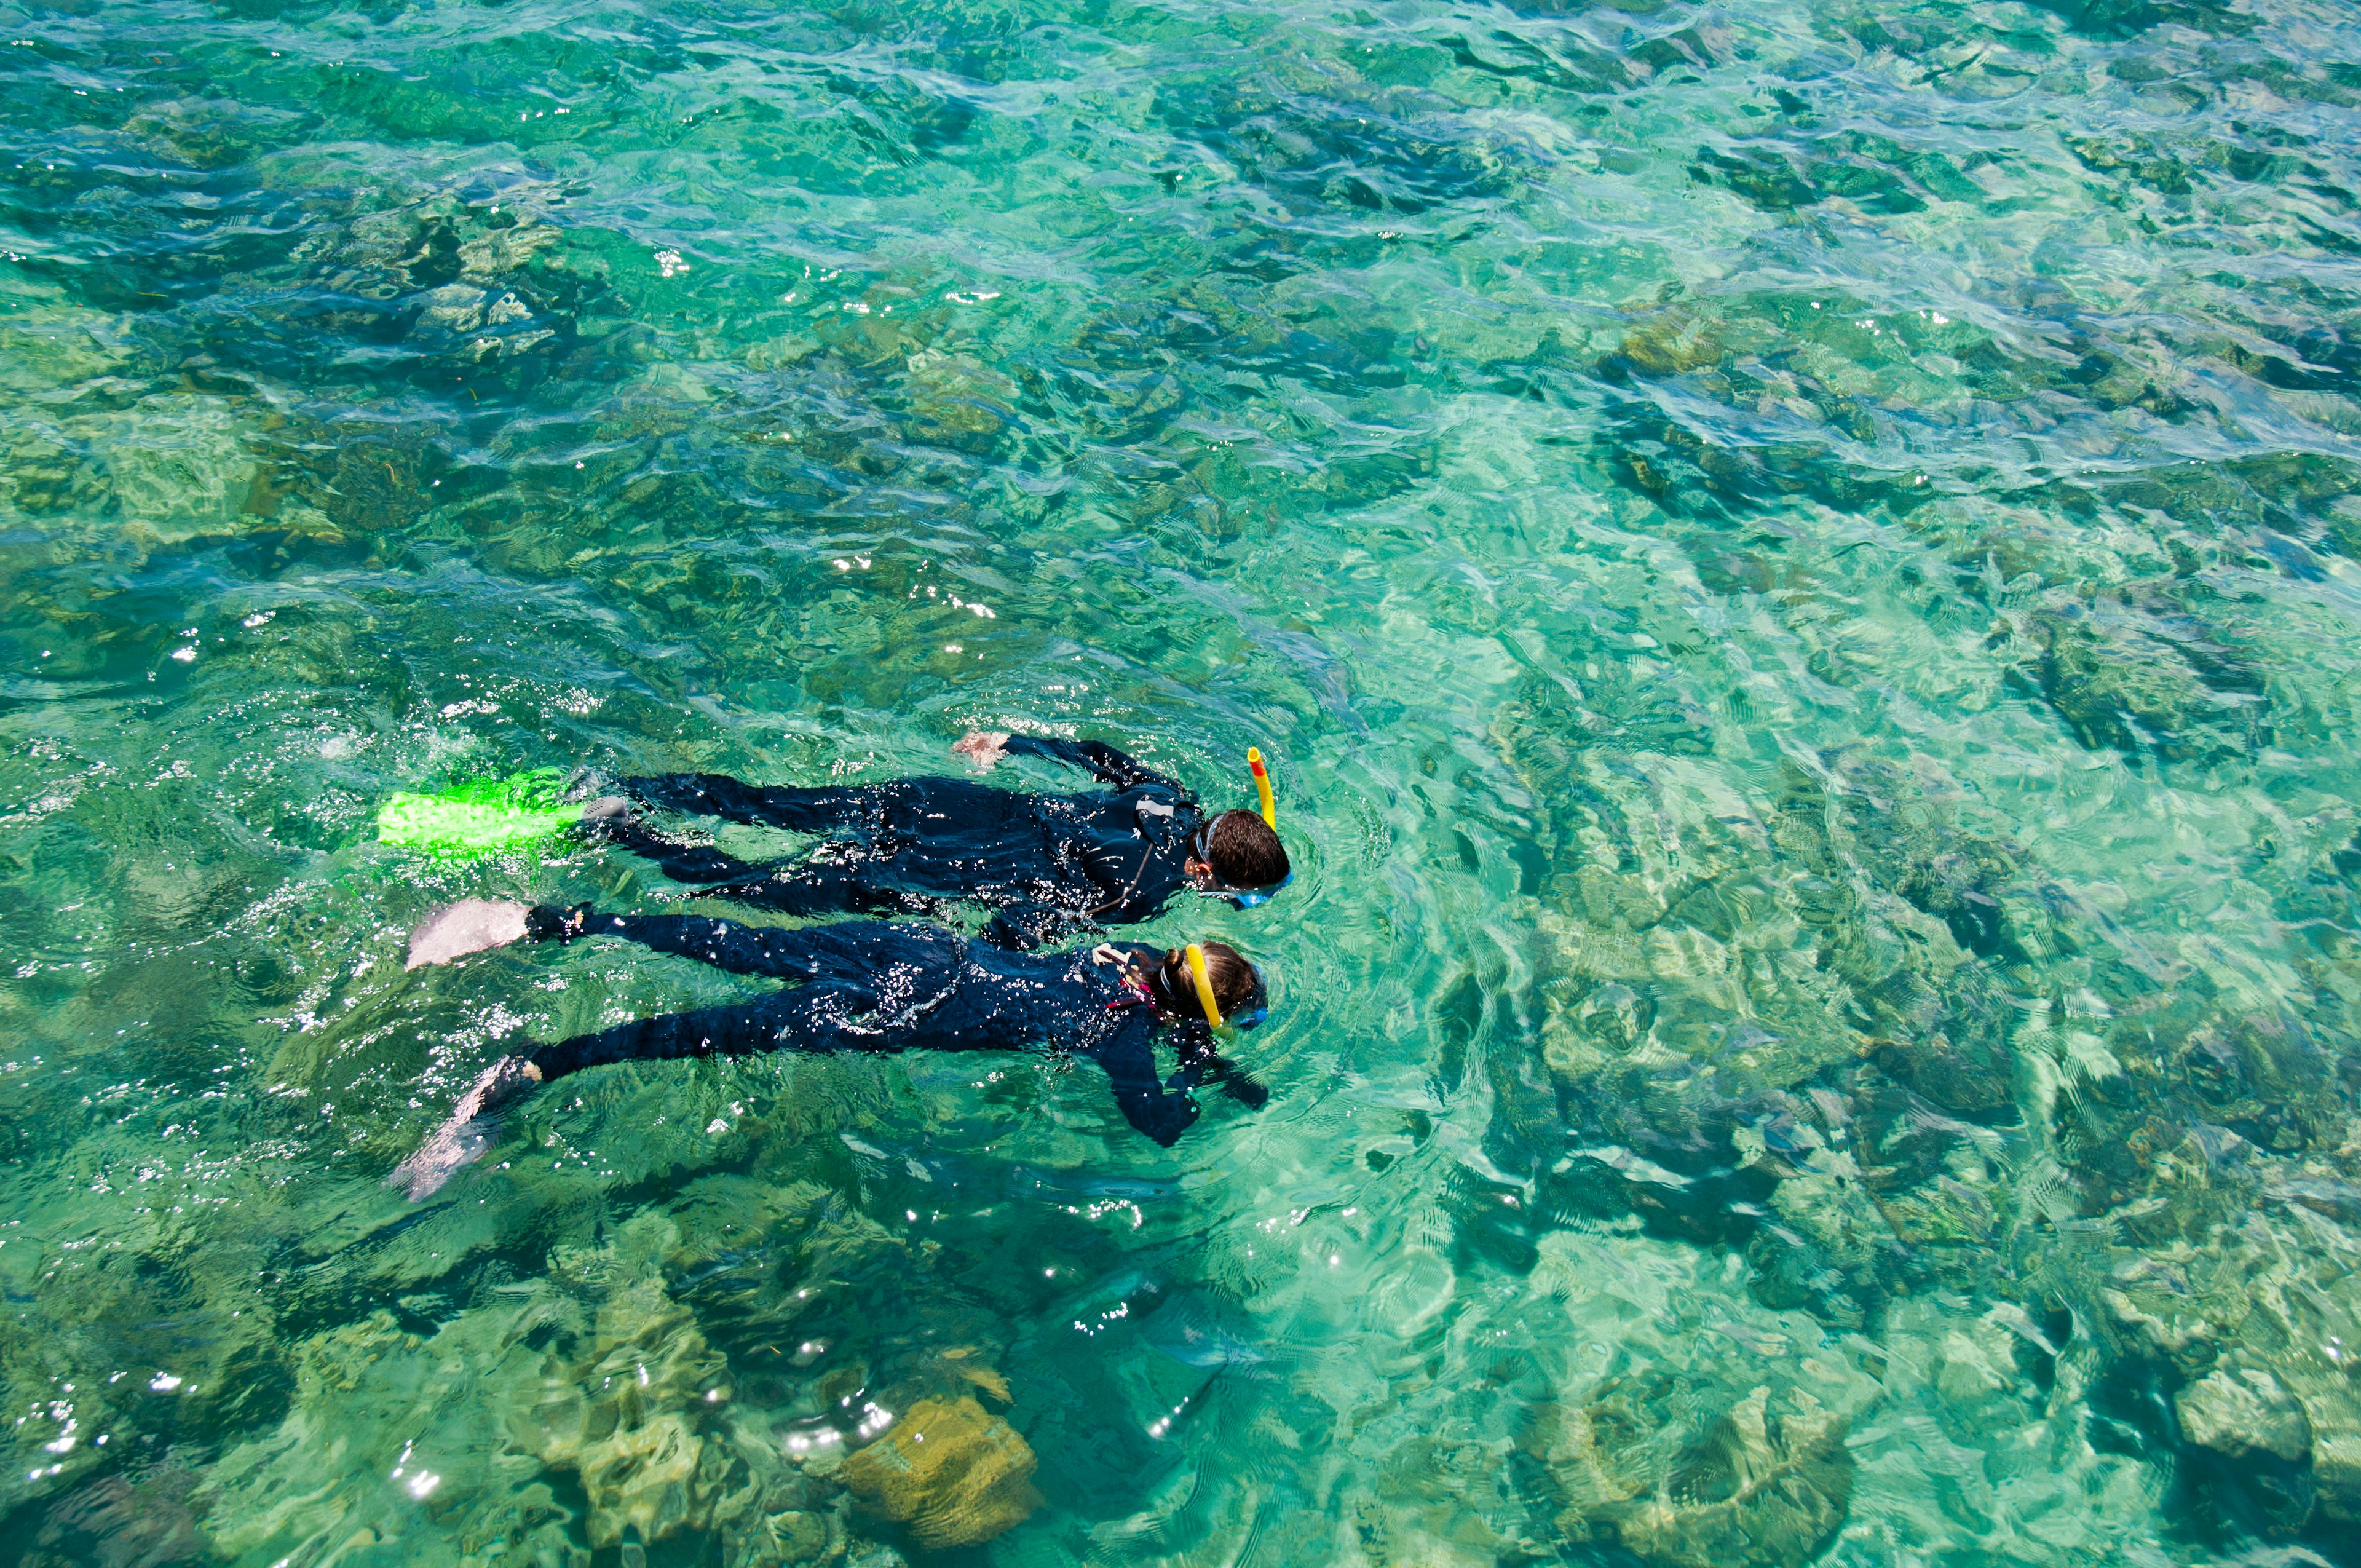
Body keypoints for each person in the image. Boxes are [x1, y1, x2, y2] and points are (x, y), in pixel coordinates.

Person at [389, 899, 1270, 1199]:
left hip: (920, 950)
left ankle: (550, 920)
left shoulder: (1129, 959)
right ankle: (542, 1063)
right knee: (708, 1033)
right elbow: (1155, 1123)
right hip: (895, 1007)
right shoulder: (1123, 1035)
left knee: (734, 940)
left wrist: (1196, 1033)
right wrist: (1203, 1074)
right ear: (1189, 1015)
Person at [578, 731, 1290, 949]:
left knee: (770, 807)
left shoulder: (1169, 797)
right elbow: (1026, 924)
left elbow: (1102, 755)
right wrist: (959, 938)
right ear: (1204, 871)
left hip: (938, 800)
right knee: (756, 888)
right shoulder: (1142, 892)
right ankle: (621, 831)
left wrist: (1013, 741)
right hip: (938, 864)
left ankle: (630, 787)